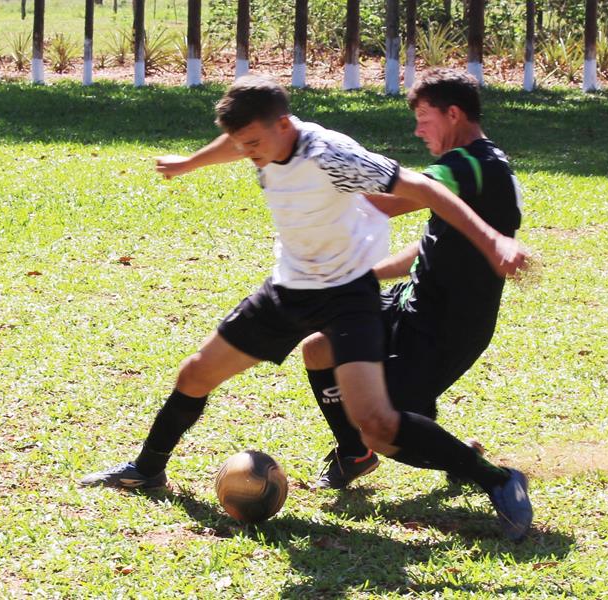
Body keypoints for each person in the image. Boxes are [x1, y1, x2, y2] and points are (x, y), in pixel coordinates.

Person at [80, 75, 531, 538]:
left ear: (283, 124)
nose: (248, 153)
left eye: (254, 142)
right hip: (289, 289)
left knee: (377, 422)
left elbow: (425, 188)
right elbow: (234, 143)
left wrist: (494, 239)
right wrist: (189, 163)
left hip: (348, 296)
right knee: (196, 372)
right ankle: (147, 468)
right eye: (243, 142)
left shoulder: (330, 154)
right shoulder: (262, 139)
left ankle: (496, 480)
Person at [303, 68, 533, 541]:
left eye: (424, 118)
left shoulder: (471, 165)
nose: (418, 130)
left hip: (446, 326)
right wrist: (370, 273)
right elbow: (434, 244)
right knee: (319, 348)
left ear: (454, 114)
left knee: (384, 429)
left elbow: (389, 201)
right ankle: (355, 454)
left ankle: (490, 475)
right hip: (411, 304)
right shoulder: (473, 167)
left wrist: (313, 182)